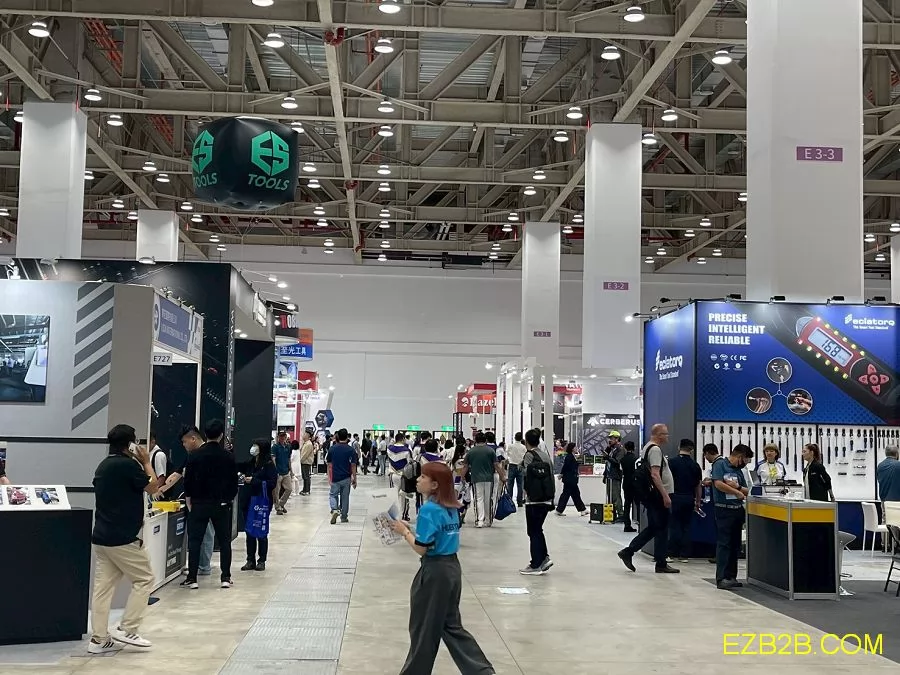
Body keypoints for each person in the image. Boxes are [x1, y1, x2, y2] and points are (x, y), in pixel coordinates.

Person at [390, 463, 495, 675]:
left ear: (435, 485)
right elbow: (438, 534)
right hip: (452, 569)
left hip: (434, 572)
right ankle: (481, 671)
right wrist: (412, 528)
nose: (418, 480)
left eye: (423, 477)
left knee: (423, 628)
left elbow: (422, 548)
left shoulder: (428, 509)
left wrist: (404, 532)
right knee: (450, 625)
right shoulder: (451, 507)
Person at [88, 424, 159, 654]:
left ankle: (98, 639)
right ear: (130, 444)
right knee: (145, 579)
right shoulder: (128, 466)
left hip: (101, 536)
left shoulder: (103, 465)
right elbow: (154, 487)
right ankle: (128, 627)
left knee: (103, 588)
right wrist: (146, 462)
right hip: (122, 538)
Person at [183, 419, 238, 590]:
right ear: (221, 435)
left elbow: (188, 480)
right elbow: (233, 482)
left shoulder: (194, 455)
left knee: (195, 541)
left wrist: (189, 498)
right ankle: (225, 577)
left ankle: (192, 578)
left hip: (199, 503)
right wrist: (228, 499)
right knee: (224, 541)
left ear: (205, 434)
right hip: (221, 504)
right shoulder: (228, 457)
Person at [617, 424, 679, 574]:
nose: (667, 437)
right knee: (661, 528)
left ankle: (631, 552)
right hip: (658, 495)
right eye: (665, 434)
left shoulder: (647, 448)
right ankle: (659, 562)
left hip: (652, 495)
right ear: (659, 435)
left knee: (655, 527)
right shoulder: (655, 450)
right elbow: (655, 474)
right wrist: (665, 495)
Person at [159, 426, 216, 578]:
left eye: (185, 442)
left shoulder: (207, 453)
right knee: (200, 533)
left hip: (206, 499)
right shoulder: (192, 455)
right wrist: (160, 489)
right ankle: (199, 565)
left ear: (193, 439)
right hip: (196, 500)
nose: (184, 445)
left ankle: (203, 566)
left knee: (206, 533)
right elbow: (177, 474)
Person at [803, 442, 856, 595]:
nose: (803, 454)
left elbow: (827, 480)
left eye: (805, 451)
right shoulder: (806, 468)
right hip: (809, 501)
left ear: (812, 452)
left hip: (819, 501)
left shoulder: (818, 467)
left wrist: (831, 496)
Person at [711, 444, 752, 590]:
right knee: (724, 544)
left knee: (735, 545)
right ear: (739, 456)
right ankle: (721, 577)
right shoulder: (720, 465)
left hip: (737, 510)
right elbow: (718, 484)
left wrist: (738, 488)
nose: (745, 464)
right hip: (724, 510)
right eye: (745, 460)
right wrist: (735, 492)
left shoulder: (739, 471)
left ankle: (731, 576)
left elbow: (747, 490)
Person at [520, 428, 555, 575]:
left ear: (526, 441)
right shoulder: (545, 455)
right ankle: (544, 558)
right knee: (537, 530)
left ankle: (536, 564)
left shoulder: (529, 455)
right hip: (546, 498)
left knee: (533, 531)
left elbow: (527, 474)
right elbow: (551, 476)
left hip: (534, 500)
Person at [240, 439, 277, 571]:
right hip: (248, 500)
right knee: (249, 531)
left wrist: (254, 480)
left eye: (256, 446)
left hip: (261, 502)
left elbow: (272, 483)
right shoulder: (251, 463)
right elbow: (238, 466)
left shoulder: (268, 465)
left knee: (261, 531)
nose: (253, 448)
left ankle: (262, 560)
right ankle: (250, 559)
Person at [668, 438, 701, 563]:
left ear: (679, 447)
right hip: (689, 498)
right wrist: (698, 501)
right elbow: (698, 485)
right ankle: (684, 555)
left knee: (674, 525)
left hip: (675, 497)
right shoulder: (695, 465)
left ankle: (671, 553)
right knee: (686, 526)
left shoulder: (671, 463)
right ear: (691, 450)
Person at [464, 432, 506, 528]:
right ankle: (488, 520)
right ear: (485, 440)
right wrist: (502, 476)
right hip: (489, 478)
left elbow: (465, 466)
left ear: (475, 440)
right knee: (488, 499)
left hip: (476, 478)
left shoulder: (471, 451)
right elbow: (496, 465)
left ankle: (479, 521)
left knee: (478, 499)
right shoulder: (490, 451)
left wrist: (462, 477)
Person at [326, 428, 358, 524]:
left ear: (338, 437)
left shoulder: (332, 449)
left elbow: (329, 464)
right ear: (347, 437)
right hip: (346, 477)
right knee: (345, 497)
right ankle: (344, 517)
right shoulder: (351, 450)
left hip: (335, 477)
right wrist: (354, 479)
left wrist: (329, 477)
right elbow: (353, 465)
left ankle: (334, 509)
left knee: (333, 495)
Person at [555, 442, 588, 517]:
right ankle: (559, 510)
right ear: (572, 448)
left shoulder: (573, 456)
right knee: (567, 495)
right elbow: (566, 466)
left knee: (574, 494)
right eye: (575, 447)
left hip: (571, 479)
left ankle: (582, 510)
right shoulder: (569, 456)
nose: (576, 448)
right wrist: (561, 474)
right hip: (570, 479)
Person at [389, 431, 416, 520]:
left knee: (393, 495)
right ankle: (404, 515)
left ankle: (393, 515)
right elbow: (409, 464)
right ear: (403, 439)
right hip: (404, 476)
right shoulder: (406, 450)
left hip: (393, 474)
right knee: (404, 496)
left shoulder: (389, 448)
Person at [603, 431, 625, 521]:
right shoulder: (612, 449)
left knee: (616, 496)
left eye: (612, 438)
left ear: (617, 439)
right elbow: (607, 462)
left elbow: (617, 462)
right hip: (609, 475)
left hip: (615, 476)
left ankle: (621, 514)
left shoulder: (620, 450)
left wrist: (608, 457)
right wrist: (605, 475)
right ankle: (612, 514)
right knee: (610, 496)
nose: (610, 440)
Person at [272, 431, 292, 515]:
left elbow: (289, 459)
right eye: (281, 436)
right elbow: (273, 459)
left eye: (284, 436)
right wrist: (275, 470)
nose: (282, 438)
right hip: (278, 472)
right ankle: (278, 508)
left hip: (286, 471)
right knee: (276, 491)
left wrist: (291, 470)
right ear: (278, 437)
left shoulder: (288, 447)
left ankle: (281, 504)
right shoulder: (275, 447)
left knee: (289, 489)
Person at [505, 432, 527, 507]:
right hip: (520, 466)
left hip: (512, 465)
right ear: (521, 438)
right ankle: (519, 502)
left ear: (514, 438)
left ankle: (510, 501)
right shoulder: (523, 447)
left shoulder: (511, 446)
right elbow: (525, 456)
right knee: (520, 485)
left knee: (510, 484)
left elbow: (508, 454)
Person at [620, 440, 637, 533]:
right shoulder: (636, 459)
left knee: (627, 504)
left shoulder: (623, 459)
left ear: (625, 448)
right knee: (638, 503)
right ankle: (640, 523)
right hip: (635, 484)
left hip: (626, 483)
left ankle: (627, 525)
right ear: (634, 448)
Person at [299, 430, 315, 495]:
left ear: (308, 436)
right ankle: (304, 489)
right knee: (305, 476)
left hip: (306, 462)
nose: (303, 435)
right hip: (304, 462)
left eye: (305, 434)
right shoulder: (306, 443)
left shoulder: (308, 444)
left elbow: (305, 454)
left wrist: (300, 460)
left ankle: (307, 490)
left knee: (306, 477)